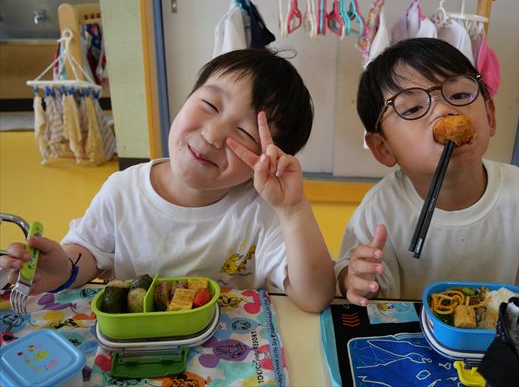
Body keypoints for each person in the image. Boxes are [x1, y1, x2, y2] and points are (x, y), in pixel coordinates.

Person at [335, 38, 519, 342]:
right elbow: (353, 277)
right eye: (413, 108)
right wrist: (354, 278)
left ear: (490, 116)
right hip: (417, 343)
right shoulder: (381, 209)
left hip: (502, 343)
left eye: (459, 94)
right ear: (383, 147)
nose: (445, 110)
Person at [2, 49, 335, 313]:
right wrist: (63, 269)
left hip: (228, 354)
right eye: (209, 104)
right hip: (134, 347)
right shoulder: (123, 191)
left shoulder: (260, 210)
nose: (213, 134)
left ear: (266, 161)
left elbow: (314, 297)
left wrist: (293, 209)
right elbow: (89, 252)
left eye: (245, 133)